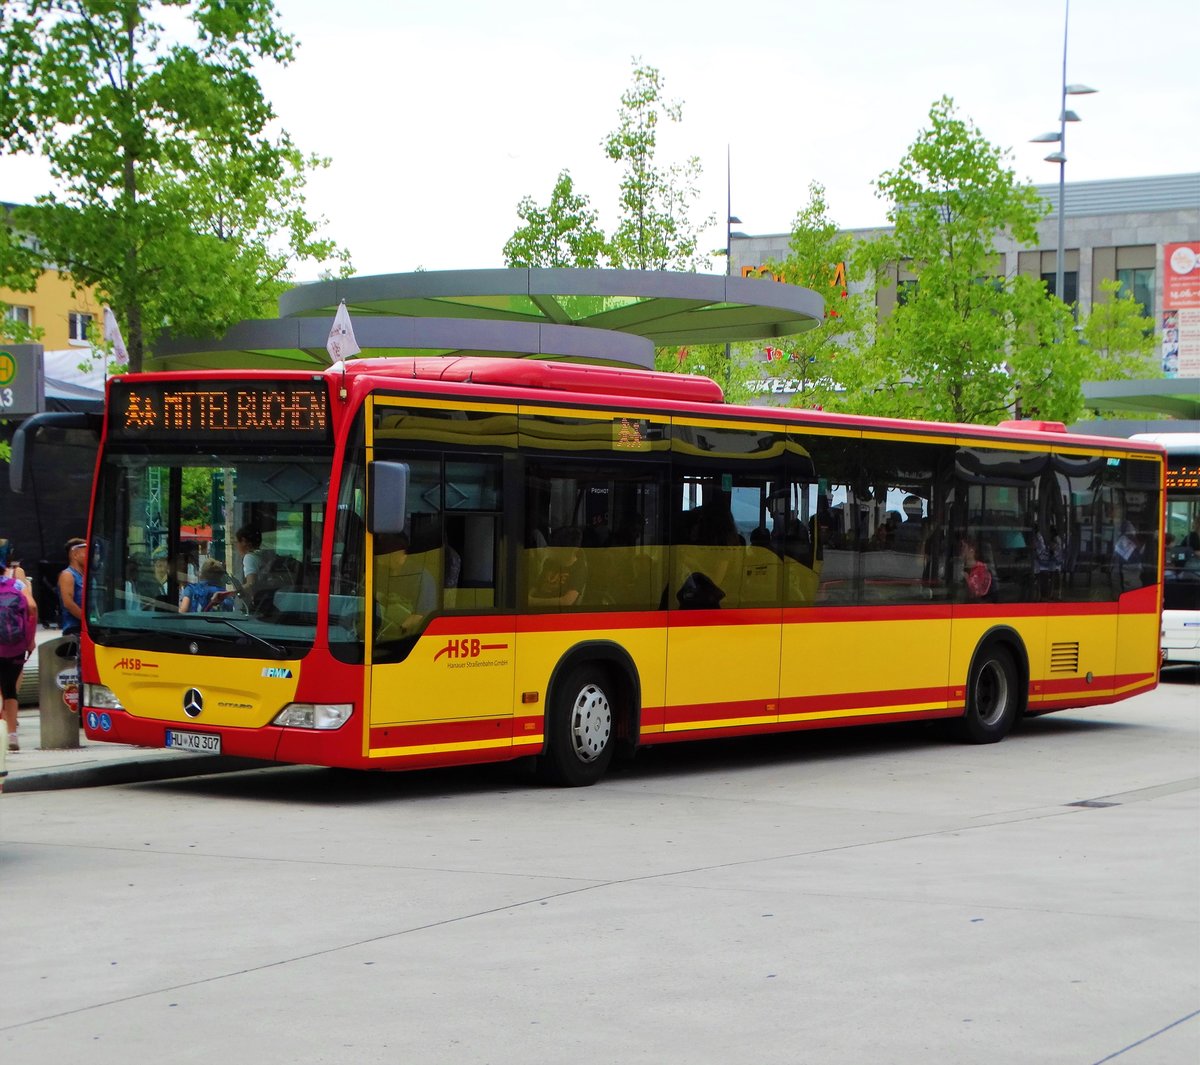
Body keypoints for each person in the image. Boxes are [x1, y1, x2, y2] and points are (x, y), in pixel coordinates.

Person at [0, 554, 38, 752]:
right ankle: (12, 735)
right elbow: (31, 606)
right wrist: (29, 640)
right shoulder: (16, 586)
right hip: (14, 646)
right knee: (9, 690)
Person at [375, 532, 438, 636]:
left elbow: (421, 616)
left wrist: (396, 631)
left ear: (395, 554)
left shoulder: (420, 577)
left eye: (381, 554)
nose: (378, 560)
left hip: (407, 636)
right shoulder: (384, 572)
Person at [529, 528, 585, 608]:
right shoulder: (550, 562)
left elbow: (567, 601)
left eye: (559, 549)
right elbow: (536, 586)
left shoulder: (579, 568)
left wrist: (533, 602)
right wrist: (527, 598)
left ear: (573, 550)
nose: (554, 552)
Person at [58, 537, 87, 638]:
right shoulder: (68, 575)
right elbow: (68, 603)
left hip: (84, 628)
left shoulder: (84, 576)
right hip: (73, 630)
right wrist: (85, 620)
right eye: (86, 553)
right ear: (75, 554)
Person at [235, 524, 264, 592]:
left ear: (243, 541)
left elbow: (251, 584)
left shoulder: (249, 558)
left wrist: (233, 592)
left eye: (237, 542)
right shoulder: (262, 554)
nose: (236, 545)